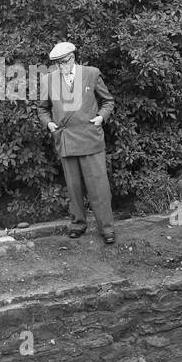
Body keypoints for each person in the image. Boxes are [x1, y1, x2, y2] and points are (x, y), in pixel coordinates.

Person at [36, 41, 116, 244]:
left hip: (90, 137)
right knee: (73, 187)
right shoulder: (48, 80)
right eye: (56, 64)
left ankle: (106, 228)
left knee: (99, 187)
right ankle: (77, 224)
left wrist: (100, 118)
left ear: (72, 58)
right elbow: (42, 108)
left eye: (63, 62)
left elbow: (108, 101)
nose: (60, 67)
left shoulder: (91, 73)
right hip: (66, 138)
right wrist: (49, 124)